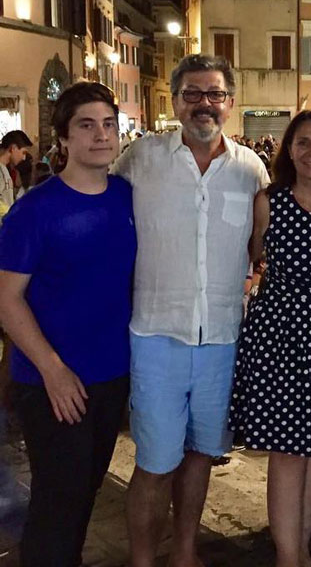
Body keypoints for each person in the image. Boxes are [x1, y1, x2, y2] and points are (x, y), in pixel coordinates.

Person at [112, 54, 269, 567]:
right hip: (156, 334)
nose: (205, 103)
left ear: (229, 102)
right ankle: (142, 560)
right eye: (193, 94)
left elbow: (263, 247)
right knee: (155, 463)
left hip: (222, 336)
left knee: (202, 454)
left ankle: (184, 552)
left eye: (215, 94)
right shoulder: (140, 158)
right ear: (177, 100)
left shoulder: (251, 169)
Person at [0, 81, 136, 566]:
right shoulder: (34, 210)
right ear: (63, 139)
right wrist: (53, 370)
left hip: (111, 376)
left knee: (83, 495)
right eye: (86, 125)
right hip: (52, 381)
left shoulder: (126, 197)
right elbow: (7, 299)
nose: (101, 135)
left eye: (108, 124)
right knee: (58, 502)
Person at [230, 110, 311, 567]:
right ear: (288, 149)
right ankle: (288, 557)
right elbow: (251, 256)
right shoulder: (271, 201)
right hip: (282, 333)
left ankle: (301, 550)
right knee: (288, 451)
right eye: (303, 143)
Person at [0, 130, 32, 220]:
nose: (24, 158)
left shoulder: (5, 169)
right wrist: (12, 214)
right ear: (13, 148)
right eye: (23, 152)